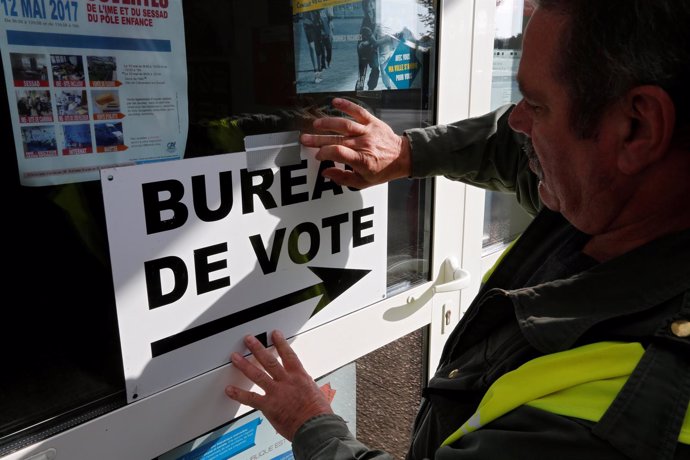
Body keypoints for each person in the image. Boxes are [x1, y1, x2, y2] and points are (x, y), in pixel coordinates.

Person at [225, 1, 690, 459]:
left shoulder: (618, 417)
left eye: (536, 105)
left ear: (637, 128)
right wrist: (407, 153)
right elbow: (505, 149)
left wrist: (313, 426)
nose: (516, 120)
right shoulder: (627, 197)